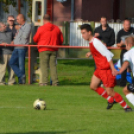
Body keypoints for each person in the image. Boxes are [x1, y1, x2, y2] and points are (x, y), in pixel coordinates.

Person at [80, 24, 132, 112]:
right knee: (93, 86)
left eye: (84, 33)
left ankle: (126, 107)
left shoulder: (96, 42)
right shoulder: (92, 42)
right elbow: (98, 51)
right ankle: (110, 99)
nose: (83, 35)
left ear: (89, 32)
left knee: (110, 92)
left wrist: (113, 68)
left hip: (105, 70)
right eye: (82, 33)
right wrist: (91, 53)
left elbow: (107, 54)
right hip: (99, 69)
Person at [33, 14, 63, 86]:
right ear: (50, 19)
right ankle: (55, 82)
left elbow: (35, 39)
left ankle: (44, 82)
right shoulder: (57, 28)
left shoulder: (41, 28)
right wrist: (56, 44)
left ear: (43, 20)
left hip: (43, 49)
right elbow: (61, 40)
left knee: (44, 66)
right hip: (53, 49)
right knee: (53, 66)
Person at [9, 14, 31, 84]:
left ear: (22, 19)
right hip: (16, 47)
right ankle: (21, 75)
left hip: (22, 48)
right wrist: (13, 42)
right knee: (11, 62)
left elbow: (25, 36)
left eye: (17, 19)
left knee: (21, 65)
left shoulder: (27, 26)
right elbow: (18, 37)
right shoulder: (20, 27)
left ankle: (21, 82)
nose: (16, 21)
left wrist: (20, 29)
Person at [116, 36, 134, 107]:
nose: (125, 47)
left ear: (129, 44)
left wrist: (120, 71)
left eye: (125, 45)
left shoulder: (128, 53)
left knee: (126, 90)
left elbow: (126, 63)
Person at [117, 18, 134, 87]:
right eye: (126, 25)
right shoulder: (120, 32)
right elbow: (117, 43)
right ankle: (122, 83)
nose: (128, 26)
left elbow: (126, 63)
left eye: (129, 24)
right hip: (124, 51)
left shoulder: (133, 30)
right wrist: (120, 44)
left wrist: (119, 71)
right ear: (123, 25)